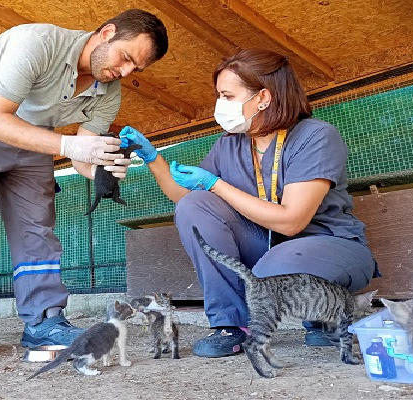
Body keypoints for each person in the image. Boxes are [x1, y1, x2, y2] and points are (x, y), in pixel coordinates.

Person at [0, 9, 168, 360]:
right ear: (106, 33)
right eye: (127, 58)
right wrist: (70, 144)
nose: (127, 72)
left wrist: (102, 169)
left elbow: (81, 159)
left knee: (36, 225)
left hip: (34, 133)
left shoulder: (109, 93)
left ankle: (44, 320)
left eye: (137, 69)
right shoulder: (37, 43)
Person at [120, 48, 380, 358]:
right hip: (266, 249)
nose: (220, 105)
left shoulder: (315, 136)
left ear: (263, 98)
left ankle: (326, 315)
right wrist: (152, 158)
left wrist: (216, 184)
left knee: (274, 269)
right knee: (194, 207)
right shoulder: (230, 143)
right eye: (219, 96)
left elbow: (292, 221)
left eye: (228, 96)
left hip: (328, 246)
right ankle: (233, 325)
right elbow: (185, 197)